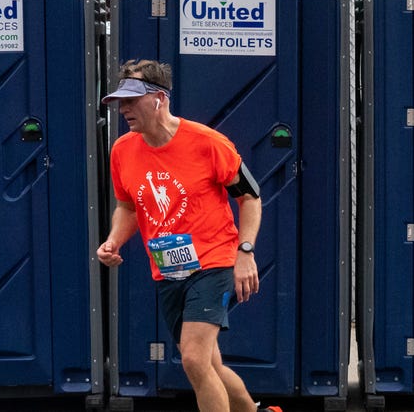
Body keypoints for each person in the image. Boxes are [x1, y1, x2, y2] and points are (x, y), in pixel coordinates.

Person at [97, 60, 281, 412]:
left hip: (215, 261)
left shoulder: (208, 143)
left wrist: (245, 251)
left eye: (132, 100)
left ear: (160, 99)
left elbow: (250, 197)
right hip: (169, 269)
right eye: (120, 101)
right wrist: (114, 240)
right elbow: (128, 208)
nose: (124, 109)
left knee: (194, 360)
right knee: (209, 364)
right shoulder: (122, 150)